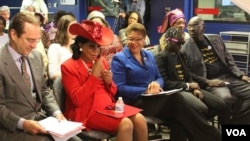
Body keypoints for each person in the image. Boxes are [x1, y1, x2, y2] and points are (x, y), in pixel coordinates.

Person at [111, 22, 221, 141]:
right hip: (134, 102)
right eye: (131, 39)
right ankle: (214, 135)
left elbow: (159, 77)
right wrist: (146, 90)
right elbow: (120, 88)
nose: (134, 43)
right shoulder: (119, 58)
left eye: (138, 39)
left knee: (179, 122)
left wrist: (157, 84)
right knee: (176, 99)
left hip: (154, 99)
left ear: (144, 39)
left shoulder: (149, 55)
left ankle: (211, 136)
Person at [61, 20, 148, 141]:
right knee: (126, 124)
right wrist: (94, 75)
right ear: (80, 45)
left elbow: (113, 92)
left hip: (108, 107)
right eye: (91, 46)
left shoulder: (100, 61)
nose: (96, 51)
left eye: (98, 46)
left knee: (140, 119)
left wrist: (109, 82)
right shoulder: (68, 66)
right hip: (86, 112)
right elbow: (77, 100)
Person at [0, 12, 66, 141]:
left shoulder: (36, 56)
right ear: (13, 35)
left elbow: (44, 91)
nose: (34, 46)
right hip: (11, 128)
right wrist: (23, 123)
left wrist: (57, 113)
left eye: (37, 40)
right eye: (30, 40)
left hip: (40, 120)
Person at [181, 16, 250, 124]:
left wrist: (240, 75)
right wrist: (207, 81)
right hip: (211, 81)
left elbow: (229, 59)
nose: (191, 29)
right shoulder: (185, 48)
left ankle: (236, 123)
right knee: (226, 99)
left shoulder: (216, 39)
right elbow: (188, 72)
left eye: (195, 26)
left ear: (203, 27)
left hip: (228, 77)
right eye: (189, 26)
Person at [155, 27, 226, 120]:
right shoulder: (161, 57)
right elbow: (166, 83)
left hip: (188, 88)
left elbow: (187, 74)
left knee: (220, 105)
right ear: (169, 41)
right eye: (179, 43)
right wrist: (188, 85)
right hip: (176, 91)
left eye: (183, 43)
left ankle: (196, 126)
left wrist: (195, 88)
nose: (181, 46)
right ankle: (196, 126)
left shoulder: (180, 54)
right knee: (202, 108)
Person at [47, 14, 77, 81]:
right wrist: (74, 76)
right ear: (64, 29)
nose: (75, 30)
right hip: (63, 83)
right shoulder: (54, 47)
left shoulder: (79, 45)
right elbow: (52, 74)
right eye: (72, 27)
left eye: (76, 27)